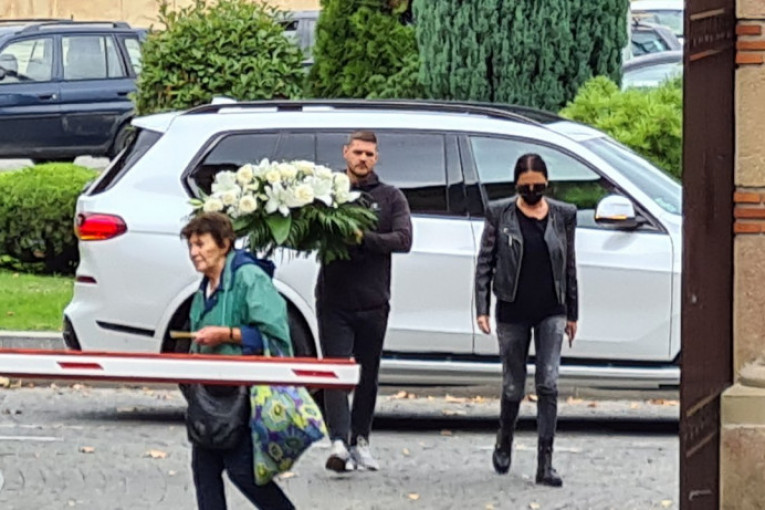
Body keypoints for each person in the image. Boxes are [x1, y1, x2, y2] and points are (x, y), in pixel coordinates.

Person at [474, 154, 578, 487]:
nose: (532, 191)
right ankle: (504, 438)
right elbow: (485, 262)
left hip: (552, 309)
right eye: (525, 186)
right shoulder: (499, 213)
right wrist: (481, 307)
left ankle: (545, 464)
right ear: (516, 184)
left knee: (548, 383)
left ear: (547, 183)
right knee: (513, 386)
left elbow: (569, 264)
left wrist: (573, 312)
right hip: (512, 308)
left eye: (538, 185)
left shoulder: (564, 215)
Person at [181, 212, 295, 510]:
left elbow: (276, 339)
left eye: (201, 244)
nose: (194, 253)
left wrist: (227, 334)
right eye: (191, 245)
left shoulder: (249, 278)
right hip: (208, 397)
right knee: (204, 471)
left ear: (224, 244)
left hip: (244, 398)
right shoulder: (203, 289)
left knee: (243, 471)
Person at [316, 130, 413, 472]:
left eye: (369, 154)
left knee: (367, 374)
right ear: (345, 153)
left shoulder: (390, 197)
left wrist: (363, 238)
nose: (363, 159)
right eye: (357, 152)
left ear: (377, 158)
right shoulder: (327, 193)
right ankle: (338, 442)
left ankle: (360, 440)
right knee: (334, 370)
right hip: (333, 299)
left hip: (374, 301)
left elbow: (403, 239)